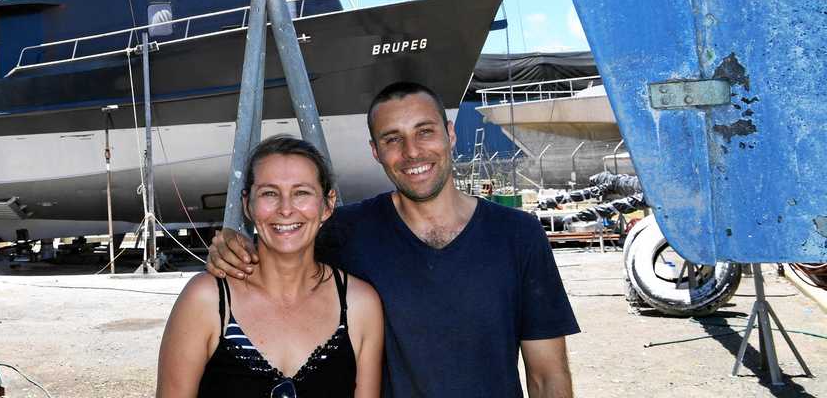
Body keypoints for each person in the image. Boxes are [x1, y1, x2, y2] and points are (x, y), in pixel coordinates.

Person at [209, 82, 578, 398]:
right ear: (375, 151)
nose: (412, 151)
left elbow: (548, 375)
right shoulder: (344, 231)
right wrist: (233, 244)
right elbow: (281, 245)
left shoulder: (518, 235)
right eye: (392, 139)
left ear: (450, 134)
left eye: (424, 131)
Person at [157, 135, 384, 397]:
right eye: (269, 193)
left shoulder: (360, 305)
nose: (285, 209)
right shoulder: (206, 300)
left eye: (301, 193)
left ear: (328, 204)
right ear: (247, 204)